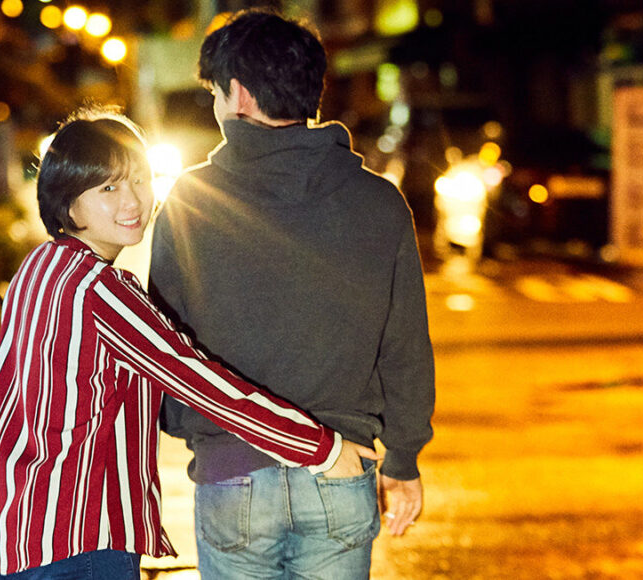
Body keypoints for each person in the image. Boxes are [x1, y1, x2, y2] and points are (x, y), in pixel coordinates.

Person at [0, 108, 379, 579]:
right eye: (108, 188)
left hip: (6, 532)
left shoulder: (38, 269)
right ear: (69, 205)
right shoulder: (101, 291)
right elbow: (200, 381)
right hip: (73, 541)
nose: (133, 202)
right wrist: (322, 447)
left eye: (140, 180)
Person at [149, 9, 436, 579]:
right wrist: (402, 459)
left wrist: (192, 428)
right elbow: (404, 346)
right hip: (342, 470)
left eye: (213, 91)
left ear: (238, 95)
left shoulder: (191, 200)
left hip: (232, 473)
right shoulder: (377, 202)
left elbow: (165, 347)